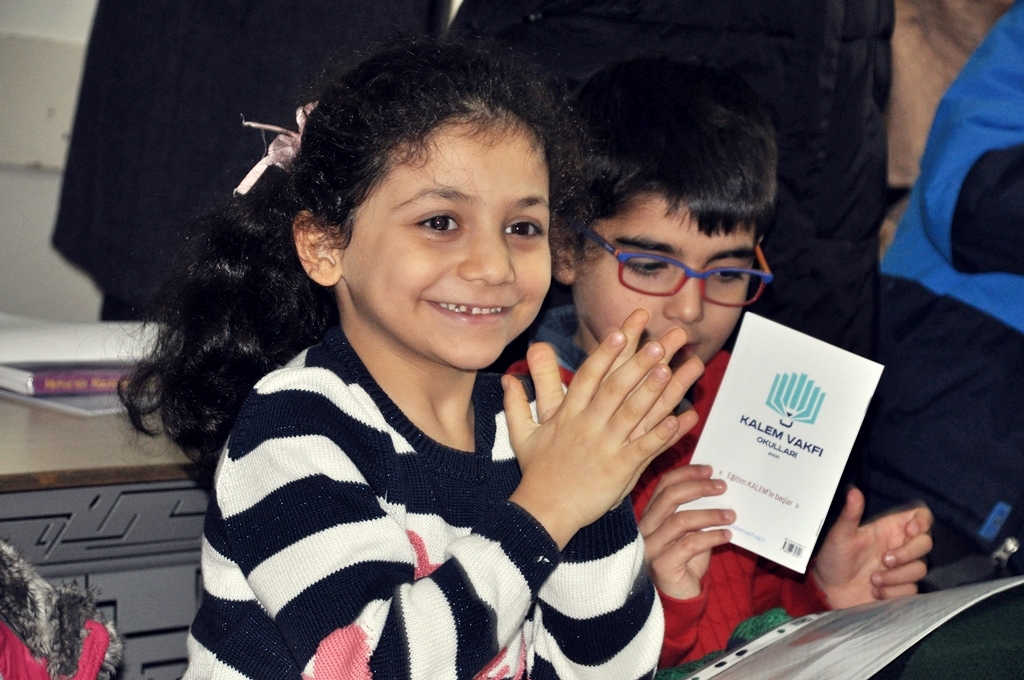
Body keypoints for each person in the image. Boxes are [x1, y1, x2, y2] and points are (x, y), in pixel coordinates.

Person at [121, 40, 697, 679]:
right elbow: (365, 667)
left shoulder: (535, 427)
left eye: (522, 228)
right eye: (441, 222)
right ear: (324, 245)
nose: (494, 266)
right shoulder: (291, 427)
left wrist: (594, 491)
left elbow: (611, 672)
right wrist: (550, 508)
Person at [509, 56, 935, 669]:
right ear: (567, 250)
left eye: (728, 273)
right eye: (650, 266)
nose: (690, 308)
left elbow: (753, 621)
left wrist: (823, 596)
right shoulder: (518, 427)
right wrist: (642, 595)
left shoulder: (748, 395)